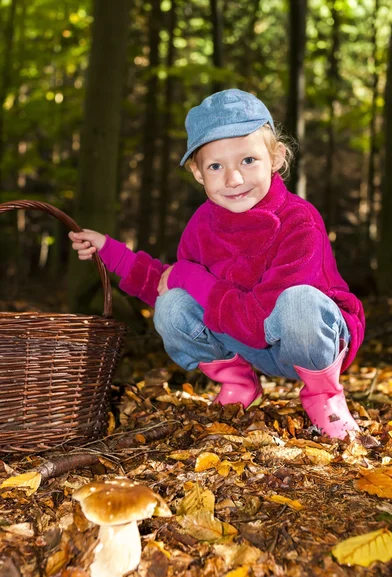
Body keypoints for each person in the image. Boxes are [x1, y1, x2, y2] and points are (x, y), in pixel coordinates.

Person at [69, 89, 365, 440]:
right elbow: (169, 283)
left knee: (299, 301)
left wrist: (188, 276)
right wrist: (109, 250)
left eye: (248, 161)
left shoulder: (300, 221)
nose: (233, 179)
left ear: (275, 158)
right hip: (247, 347)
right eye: (215, 166)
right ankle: (238, 383)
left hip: (308, 342)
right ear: (197, 173)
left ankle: (324, 396)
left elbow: (258, 320)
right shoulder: (202, 224)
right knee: (171, 305)